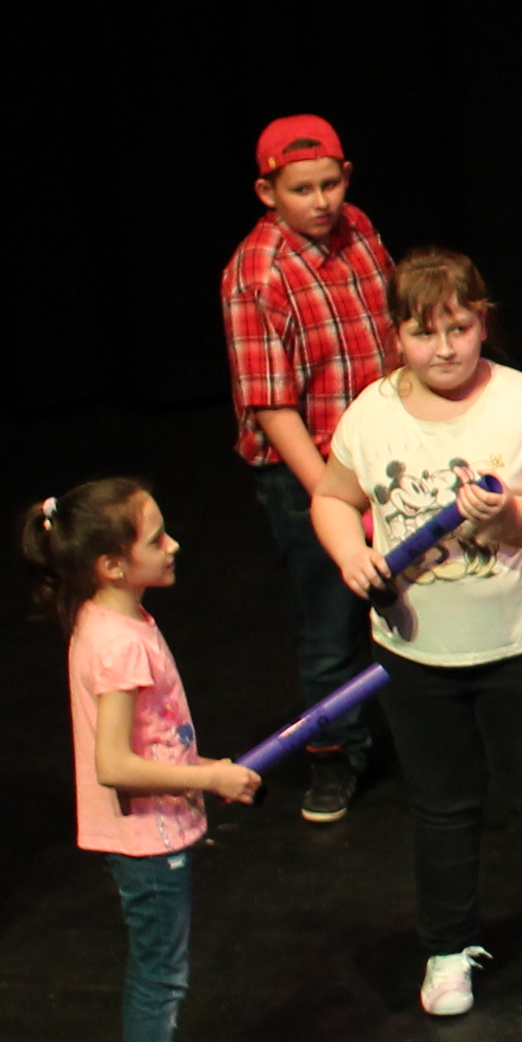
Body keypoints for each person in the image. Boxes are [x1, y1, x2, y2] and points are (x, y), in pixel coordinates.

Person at [313, 248, 522, 1018]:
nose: (443, 349)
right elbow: (334, 498)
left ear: (483, 323)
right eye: (422, 333)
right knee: (440, 804)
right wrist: (349, 553)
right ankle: (447, 947)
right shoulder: (372, 413)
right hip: (415, 651)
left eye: (459, 328)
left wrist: (513, 514)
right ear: (395, 335)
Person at [26, 479, 258, 1042]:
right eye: (156, 539)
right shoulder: (117, 644)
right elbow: (115, 765)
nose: (173, 545)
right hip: (145, 840)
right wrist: (209, 777)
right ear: (111, 565)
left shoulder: (113, 620)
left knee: (163, 976)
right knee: (160, 982)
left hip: (156, 830)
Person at [218, 112, 396, 824]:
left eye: (330, 184)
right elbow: (271, 407)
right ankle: (334, 754)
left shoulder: (359, 230)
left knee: (402, 597)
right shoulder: (255, 274)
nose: (320, 202)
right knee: (330, 623)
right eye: (301, 190)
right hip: (308, 473)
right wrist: (333, 498)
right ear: (268, 193)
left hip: (382, 458)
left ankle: (415, 731)